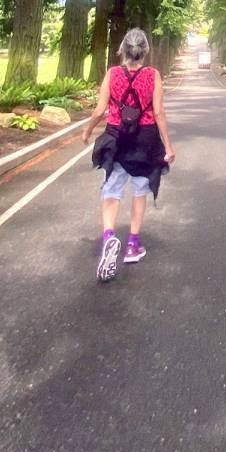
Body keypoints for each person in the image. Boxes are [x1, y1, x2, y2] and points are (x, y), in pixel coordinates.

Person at [82, 28, 176, 282]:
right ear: (145, 51)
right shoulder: (153, 75)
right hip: (145, 140)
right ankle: (133, 245)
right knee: (139, 191)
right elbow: (158, 113)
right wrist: (168, 146)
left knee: (111, 189)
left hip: (116, 137)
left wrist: (87, 131)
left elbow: (100, 110)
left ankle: (108, 238)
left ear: (122, 49)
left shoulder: (112, 74)